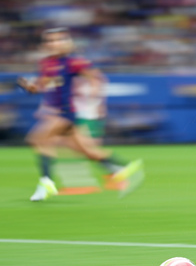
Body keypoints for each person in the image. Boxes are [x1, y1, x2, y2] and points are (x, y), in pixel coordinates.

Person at [18, 28, 143, 201]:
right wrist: (30, 87)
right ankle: (121, 168)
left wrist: (94, 95)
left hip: (65, 113)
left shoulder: (72, 62)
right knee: (85, 150)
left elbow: (96, 77)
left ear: (66, 42)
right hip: (56, 113)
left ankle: (46, 183)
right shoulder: (46, 63)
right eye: (50, 40)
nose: (54, 43)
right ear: (45, 44)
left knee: (37, 139)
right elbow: (42, 85)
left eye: (58, 40)